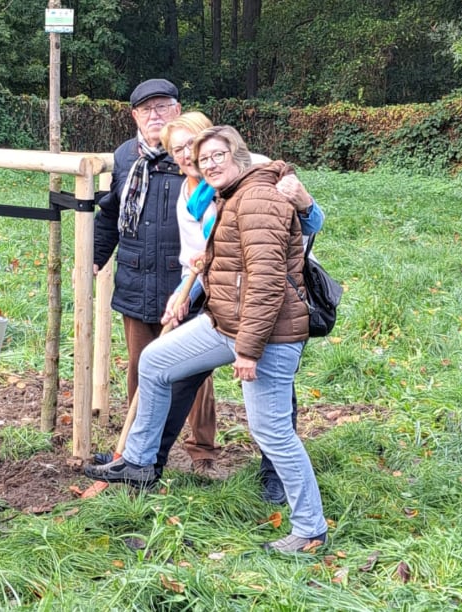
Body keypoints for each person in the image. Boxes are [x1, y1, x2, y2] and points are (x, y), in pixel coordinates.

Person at [86, 126, 328, 553]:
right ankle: (140, 462)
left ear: (238, 153)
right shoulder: (229, 194)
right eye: (203, 159)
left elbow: (267, 283)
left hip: (268, 335)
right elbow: (237, 266)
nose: (209, 164)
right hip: (224, 322)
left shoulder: (258, 199)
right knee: (156, 362)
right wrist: (198, 281)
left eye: (218, 155)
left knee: (271, 431)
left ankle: (309, 528)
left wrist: (249, 351)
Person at [158, 113, 325, 505]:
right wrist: (182, 295)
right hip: (216, 293)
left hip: (269, 298)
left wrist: (305, 202)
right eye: (177, 150)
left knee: (272, 390)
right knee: (177, 373)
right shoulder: (192, 196)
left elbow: (308, 225)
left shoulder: (257, 175)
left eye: (192, 145)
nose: (186, 156)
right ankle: (150, 461)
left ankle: (276, 476)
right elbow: (196, 256)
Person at [92, 79, 222, 477]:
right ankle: (136, 450)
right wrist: (95, 259)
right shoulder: (125, 157)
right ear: (134, 116)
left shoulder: (196, 159)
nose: (155, 116)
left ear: (178, 111)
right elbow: (112, 214)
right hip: (135, 278)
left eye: (163, 107)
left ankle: (202, 452)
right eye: (146, 110)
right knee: (141, 366)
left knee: (195, 373)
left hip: (189, 282)